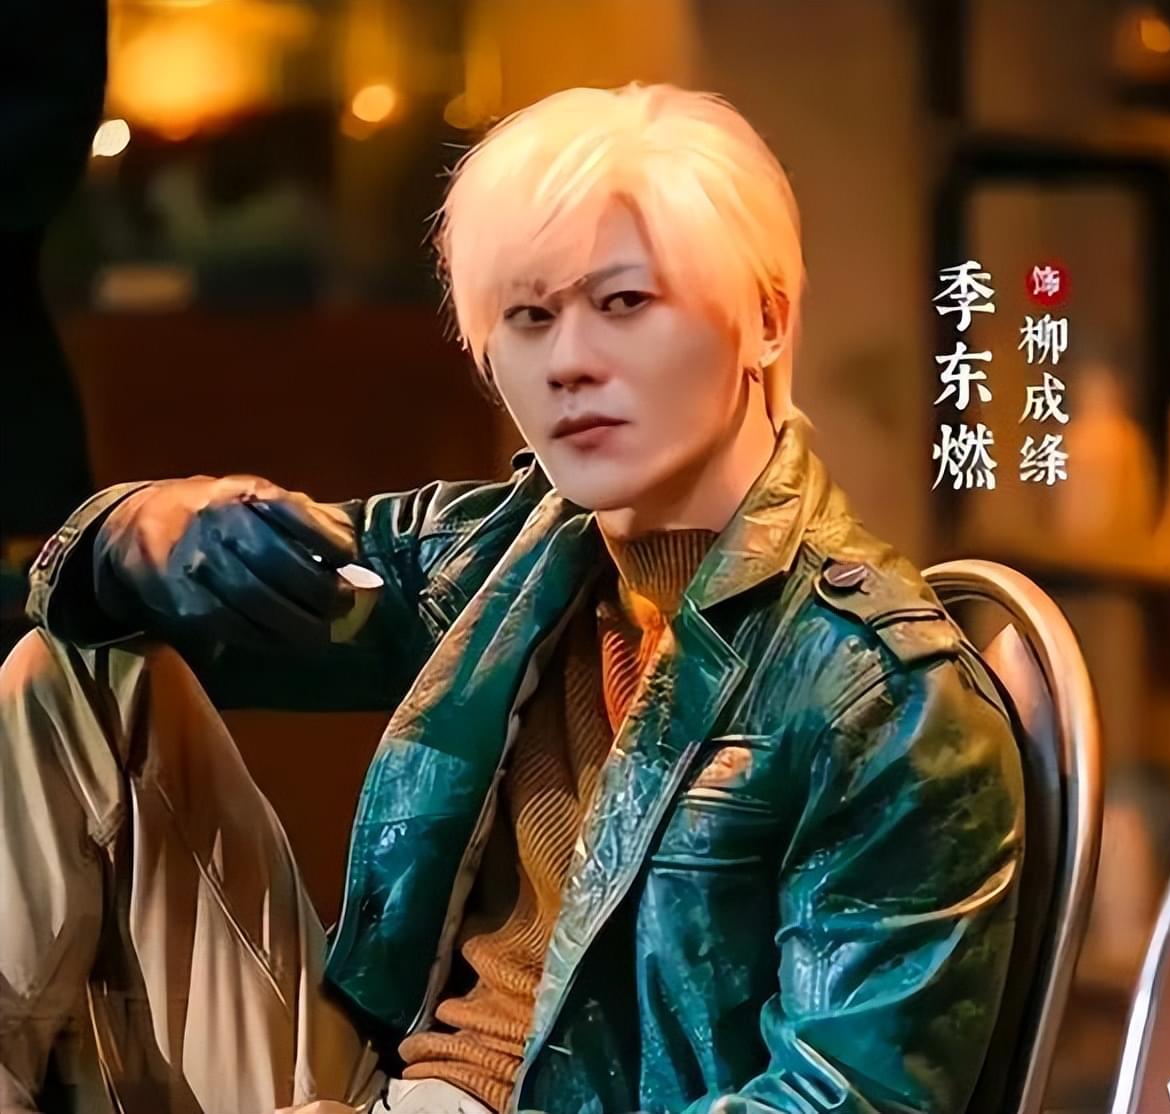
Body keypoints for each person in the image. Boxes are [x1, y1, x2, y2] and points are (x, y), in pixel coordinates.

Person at [0, 82, 1025, 1114]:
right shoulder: (510, 549)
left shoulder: (881, 692)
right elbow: (136, 600)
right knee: (77, 675)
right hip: (380, 1080)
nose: (570, 362)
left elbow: (843, 1097)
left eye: (624, 303)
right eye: (529, 318)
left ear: (764, 319)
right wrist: (146, 533)